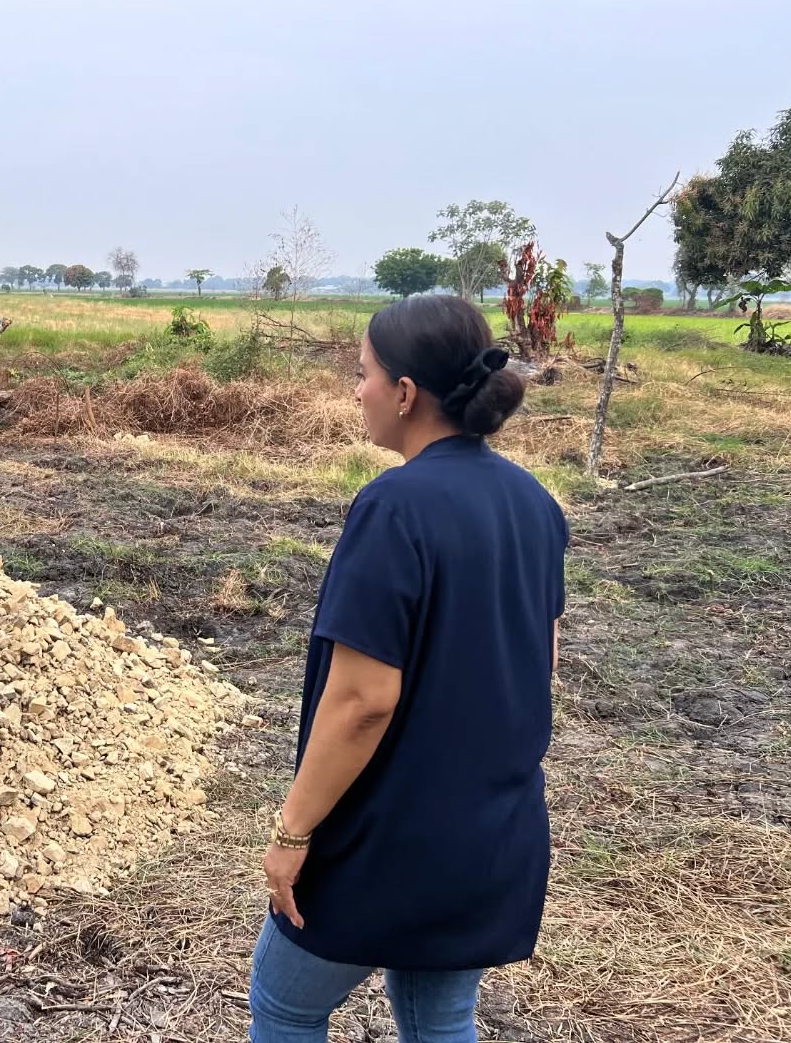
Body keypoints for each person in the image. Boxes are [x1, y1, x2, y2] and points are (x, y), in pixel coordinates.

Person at [248, 295, 568, 1043]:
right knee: (439, 1018)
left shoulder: (393, 507)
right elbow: (542, 658)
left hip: (388, 835)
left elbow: (363, 700)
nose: (355, 390)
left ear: (403, 392)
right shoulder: (534, 503)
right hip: (490, 833)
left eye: (362, 373)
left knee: (286, 1002)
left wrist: (292, 833)